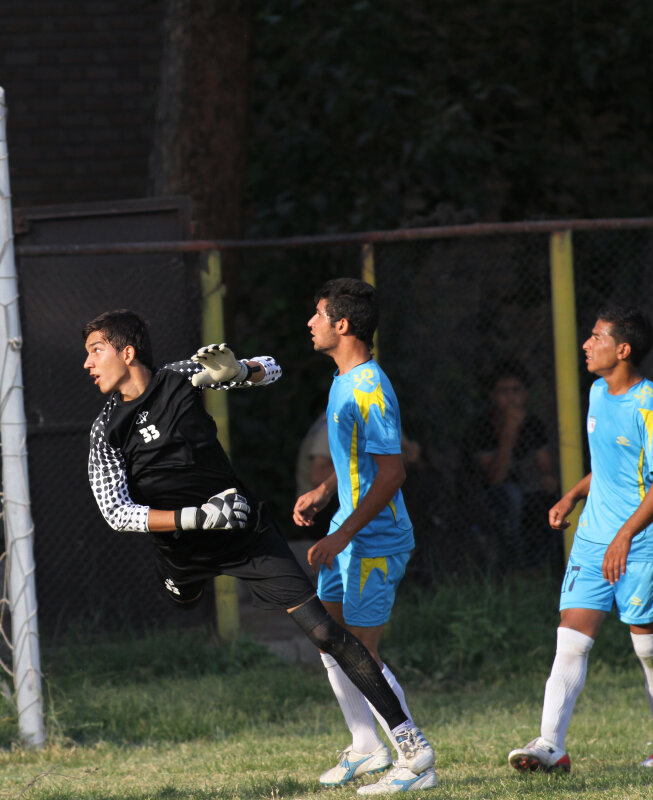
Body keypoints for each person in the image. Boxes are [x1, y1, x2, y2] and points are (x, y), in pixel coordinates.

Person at [82, 309, 434, 795]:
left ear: (127, 352)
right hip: (183, 550)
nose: (87, 363)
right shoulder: (105, 429)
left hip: (242, 531)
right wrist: (194, 518)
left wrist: (243, 370)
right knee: (184, 600)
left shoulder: (180, 377)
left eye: (95, 350)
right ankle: (367, 745)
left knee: (326, 632)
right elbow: (116, 512)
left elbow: (272, 367)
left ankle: (410, 744)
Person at [508, 305, 653, 773]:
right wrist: (572, 496)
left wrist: (626, 535)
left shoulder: (649, 403)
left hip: (642, 544)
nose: (586, 344)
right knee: (570, 639)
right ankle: (550, 745)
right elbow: (609, 468)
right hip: (592, 540)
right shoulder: (597, 392)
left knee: (648, 647)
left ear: (622, 349)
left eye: (597, 337)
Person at [293, 278, 435, 793]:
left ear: (343, 324)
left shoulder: (370, 388)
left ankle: (416, 762)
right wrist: (325, 491)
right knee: (329, 642)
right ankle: (366, 746)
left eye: (318, 314)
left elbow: (392, 473)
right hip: (348, 531)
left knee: (360, 653)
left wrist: (342, 535)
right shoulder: (343, 379)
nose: (310, 322)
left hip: (376, 540)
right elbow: (359, 459)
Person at [463, 360, 558, 573]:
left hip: (527, 487)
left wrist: (546, 478)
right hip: (489, 493)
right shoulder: (482, 426)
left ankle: (546, 563)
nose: (511, 398)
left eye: (516, 391)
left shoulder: (532, 423)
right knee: (511, 496)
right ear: (492, 396)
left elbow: (545, 467)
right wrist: (509, 432)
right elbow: (495, 477)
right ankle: (513, 564)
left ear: (525, 394)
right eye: (503, 392)